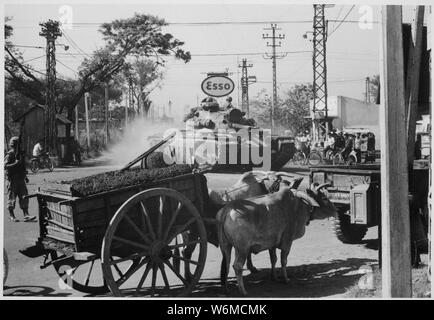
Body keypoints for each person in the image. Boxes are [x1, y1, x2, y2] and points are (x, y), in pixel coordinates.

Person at [4, 136, 36, 222]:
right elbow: (5, 166)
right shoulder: (10, 154)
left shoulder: (21, 154)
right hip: (12, 179)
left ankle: (26, 214)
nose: (20, 146)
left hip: (20, 179)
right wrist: (15, 163)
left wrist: (25, 177)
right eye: (18, 145)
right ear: (14, 145)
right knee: (12, 197)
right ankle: (12, 215)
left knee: (24, 196)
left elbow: (22, 166)